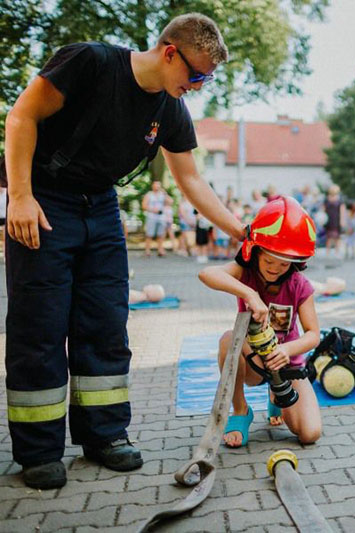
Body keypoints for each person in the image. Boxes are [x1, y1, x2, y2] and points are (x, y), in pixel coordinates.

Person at [3, 13, 244, 489]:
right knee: (41, 325)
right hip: (47, 199)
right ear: (169, 52)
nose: (198, 86)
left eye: (207, 79)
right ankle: (38, 451)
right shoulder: (90, 62)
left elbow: (190, 179)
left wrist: (242, 230)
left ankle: (105, 436)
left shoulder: (170, 109)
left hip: (102, 209)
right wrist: (21, 196)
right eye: (195, 74)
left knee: (106, 323)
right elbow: (21, 116)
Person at [199, 197, 322, 446]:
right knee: (227, 341)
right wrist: (249, 294)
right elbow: (206, 273)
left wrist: (286, 350)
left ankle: (276, 395)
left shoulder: (300, 285)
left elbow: (313, 334)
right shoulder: (245, 272)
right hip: (254, 359)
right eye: (269, 261)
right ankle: (241, 410)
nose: (275, 269)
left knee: (309, 434)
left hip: (286, 364)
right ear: (253, 251)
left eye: (284, 264)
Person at [142, 180, 168, 257]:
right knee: (149, 234)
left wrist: (165, 193)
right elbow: (144, 206)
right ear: (152, 186)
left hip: (161, 217)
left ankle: (160, 250)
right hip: (151, 217)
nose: (157, 186)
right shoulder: (149, 195)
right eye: (155, 185)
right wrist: (153, 210)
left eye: (158, 185)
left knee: (161, 235)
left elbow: (170, 202)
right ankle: (147, 250)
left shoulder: (162, 195)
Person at [324, 184, 345, 257]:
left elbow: (323, 210)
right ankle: (335, 252)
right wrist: (342, 222)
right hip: (334, 219)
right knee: (335, 237)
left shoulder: (327, 199)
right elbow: (342, 212)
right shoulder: (339, 200)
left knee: (330, 237)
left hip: (331, 219)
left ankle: (329, 253)